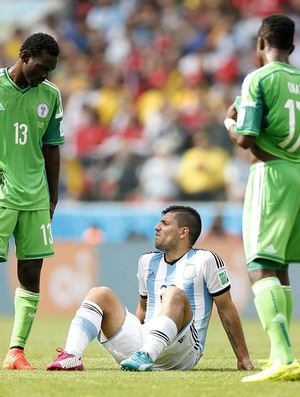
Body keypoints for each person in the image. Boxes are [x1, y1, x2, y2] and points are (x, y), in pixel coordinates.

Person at [46, 205, 253, 372]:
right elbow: (143, 310)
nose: (156, 227)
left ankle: (146, 354)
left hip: (183, 352)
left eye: (164, 223)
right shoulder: (147, 261)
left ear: (183, 232)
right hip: (145, 344)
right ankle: (72, 355)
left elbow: (226, 308)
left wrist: (243, 357)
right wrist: (131, 336)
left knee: (173, 294)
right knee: (99, 293)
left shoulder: (206, 259)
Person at [224, 14, 300, 382]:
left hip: (271, 174)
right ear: (294, 45)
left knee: (260, 264)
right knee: (280, 264)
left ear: (259, 45)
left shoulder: (258, 78)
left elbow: (246, 138)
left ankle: (284, 356)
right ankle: (282, 356)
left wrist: (229, 123)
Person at [0, 33, 65, 370]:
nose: (46, 75)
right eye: (41, 67)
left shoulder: (51, 96)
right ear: (24, 55)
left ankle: (16, 352)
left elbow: (52, 147)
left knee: (31, 270)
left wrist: (53, 199)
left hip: (35, 195)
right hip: (2, 193)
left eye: (50, 70)